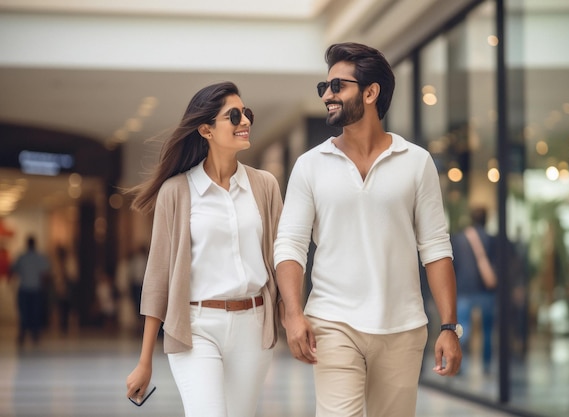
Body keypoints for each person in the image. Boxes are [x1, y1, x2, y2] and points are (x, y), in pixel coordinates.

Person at [274, 42, 462, 417]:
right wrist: (293, 315)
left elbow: (436, 247)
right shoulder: (310, 165)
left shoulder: (416, 162)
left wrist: (448, 327)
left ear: (371, 93)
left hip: (403, 327)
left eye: (337, 86)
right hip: (333, 322)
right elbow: (290, 246)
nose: (327, 95)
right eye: (324, 88)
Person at [125, 81, 283, 417]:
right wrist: (144, 361)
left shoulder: (265, 186)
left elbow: (283, 257)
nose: (245, 122)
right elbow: (158, 277)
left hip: (253, 327)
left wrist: (295, 316)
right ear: (206, 129)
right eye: (234, 115)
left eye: (247, 114)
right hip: (196, 327)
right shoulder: (177, 192)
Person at [450, 206, 497, 374]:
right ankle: (486, 366)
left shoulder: (459, 238)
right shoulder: (491, 239)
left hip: (463, 289)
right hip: (486, 290)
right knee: (487, 331)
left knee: (463, 330)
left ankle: (459, 365)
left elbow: (453, 265)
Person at [11, 235, 50, 346]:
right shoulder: (40, 257)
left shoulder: (22, 257)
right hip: (35, 289)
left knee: (24, 312)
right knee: (34, 312)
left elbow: (14, 270)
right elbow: (45, 274)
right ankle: (34, 334)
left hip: (25, 288)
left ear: (27, 244)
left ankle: (25, 333)